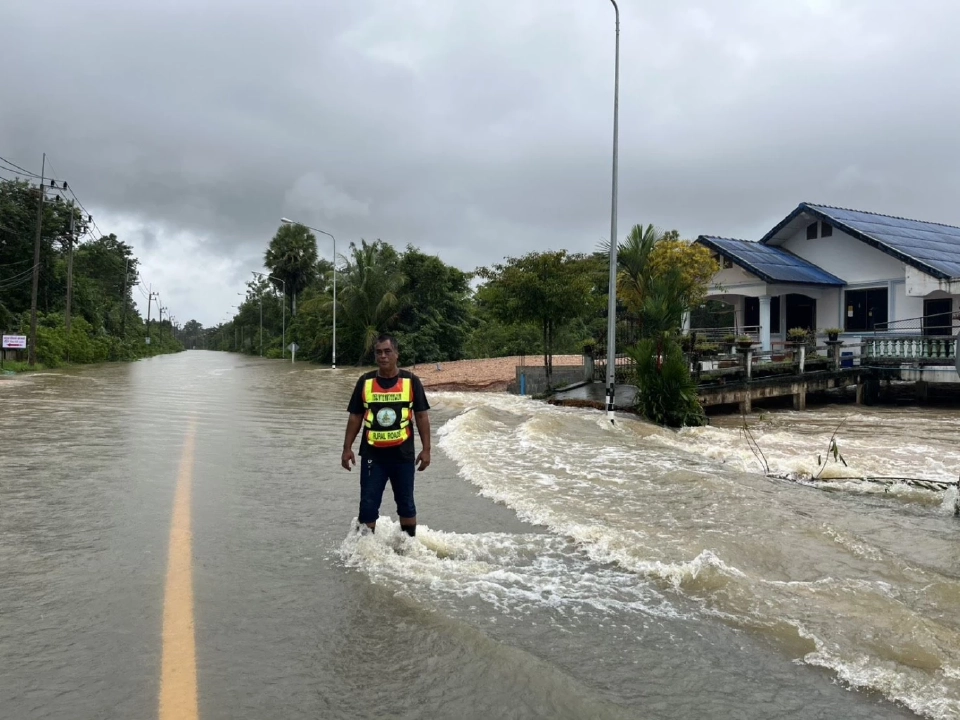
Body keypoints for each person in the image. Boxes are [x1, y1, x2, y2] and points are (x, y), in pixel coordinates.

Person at [341, 334, 431, 536]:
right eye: (378, 352)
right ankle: (364, 553)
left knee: (406, 503)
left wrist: (427, 450)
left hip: (403, 455)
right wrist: (347, 449)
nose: (383, 356)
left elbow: (422, 416)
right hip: (373, 456)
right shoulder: (365, 381)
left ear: (397, 354)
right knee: (368, 506)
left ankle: (408, 548)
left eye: (387, 351)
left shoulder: (411, 381)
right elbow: (355, 416)